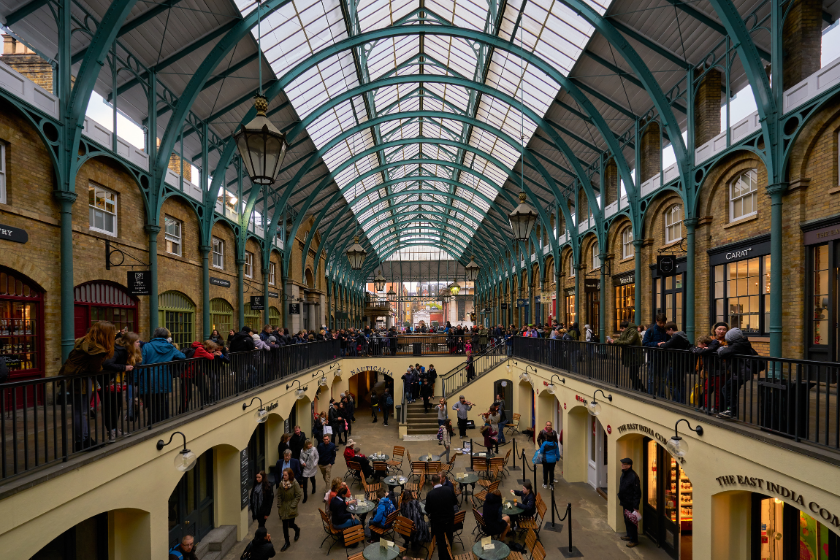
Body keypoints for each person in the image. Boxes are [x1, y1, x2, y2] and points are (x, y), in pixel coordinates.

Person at [59, 321, 117, 451]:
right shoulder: (97, 349)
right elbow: (94, 368)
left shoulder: (83, 342)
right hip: (81, 380)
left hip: (74, 378)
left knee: (80, 412)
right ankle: (83, 442)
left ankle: (84, 440)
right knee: (81, 412)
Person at [140, 327, 186, 423]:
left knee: (151, 402)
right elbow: (182, 356)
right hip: (163, 377)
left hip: (149, 378)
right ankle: (161, 421)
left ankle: (152, 423)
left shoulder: (147, 346)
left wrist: (136, 380)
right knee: (161, 400)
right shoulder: (170, 347)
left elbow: (141, 363)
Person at [101, 331, 141, 440]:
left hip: (115, 383)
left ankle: (114, 429)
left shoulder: (124, 350)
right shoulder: (118, 350)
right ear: (131, 342)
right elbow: (107, 364)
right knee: (111, 408)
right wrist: (124, 367)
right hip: (107, 383)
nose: (139, 344)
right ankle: (111, 431)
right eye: (137, 342)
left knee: (117, 406)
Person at [717, 327, 761, 419]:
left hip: (740, 373)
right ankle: (731, 410)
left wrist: (721, 348)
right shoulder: (742, 343)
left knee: (726, 389)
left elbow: (723, 353)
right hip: (742, 372)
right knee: (731, 390)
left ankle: (731, 410)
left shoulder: (737, 345)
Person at [425, 474, 458, 560]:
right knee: (449, 538)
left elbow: (427, 510)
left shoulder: (430, 494)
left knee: (440, 541)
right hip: (449, 520)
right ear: (440, 481)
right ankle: (449, 555)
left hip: (437, 522)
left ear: (432, 483)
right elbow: (455, 502)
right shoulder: (449, 490)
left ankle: (442, 558)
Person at [642, 314, 671, 396]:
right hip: (653, 358)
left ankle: (661, 395)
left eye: (663, 323)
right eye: (660, 323)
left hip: (664, 358)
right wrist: (657, 344)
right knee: (652, 378)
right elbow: (645, 343)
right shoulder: (650, 330)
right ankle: (651, 394)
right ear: (656, 321)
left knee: (662, 378)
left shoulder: (666, 330)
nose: (662, 325)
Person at [610, 321, 643, 390]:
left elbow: (628, 342)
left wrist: (615, 342)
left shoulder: (633, 332)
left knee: (633, 375)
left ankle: (640, 388)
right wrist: (612, 342)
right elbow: (620, 340)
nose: (621, 330)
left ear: (627, 328)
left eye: (622, 328)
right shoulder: (624, 333)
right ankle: (638, 388)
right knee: (633, 375)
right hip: (631, 356)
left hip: (635, 356)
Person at [276, 468, 302, 551]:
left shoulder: (294, 483)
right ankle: (287, 542)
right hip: (283, 507)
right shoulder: (281, 484)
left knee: (290, 524)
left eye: (286, 475)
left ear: (289, 475)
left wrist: (293, 505)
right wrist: (279, 505)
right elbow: (279, 495)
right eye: (283, 475)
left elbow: (298, 495)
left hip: (291, 506)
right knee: (284, 526)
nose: (284, 476)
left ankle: (297, 529)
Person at [618, 458, 641, 548]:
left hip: (631, 503)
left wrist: (635, 506)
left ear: (629, 465)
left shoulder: (633, 476)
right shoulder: (624, 474)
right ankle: (628, 535)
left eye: (624, 464)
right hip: (625, 502)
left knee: (632, 522)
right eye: (622, 464)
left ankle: (634, 540)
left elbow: (637, 492)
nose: (622, 465)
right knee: (627, 520)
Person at [299, 438, 319, 503]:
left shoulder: (314, 449)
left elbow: (317, 457)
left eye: (310, 444)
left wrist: (315, 463)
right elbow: (301, 458)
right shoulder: (302, 450)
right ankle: (305, 496)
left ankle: (314, 488)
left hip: (312, 467)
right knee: (304, 482)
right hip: (306, 468)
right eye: (309, 444)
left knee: (312, 478)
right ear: (306, 445)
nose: (310, 445)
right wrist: (302, 463)